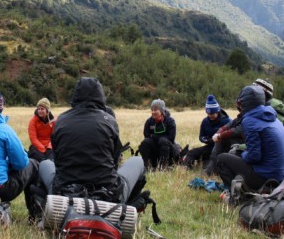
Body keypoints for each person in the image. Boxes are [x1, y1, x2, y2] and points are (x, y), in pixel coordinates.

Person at [38, 77, 146, 205]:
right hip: (107, 193)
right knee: (138, 160)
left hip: (64, 191)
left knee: (45, 164)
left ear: (76, 96)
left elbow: (57, 158)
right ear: (100, 96)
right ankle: (125, 208)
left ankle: (42, 210)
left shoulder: (61, 120)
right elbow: (115, 160)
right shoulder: (109, 121)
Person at [216, 86, 284, 191]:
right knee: (238, 154)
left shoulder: (249, 120)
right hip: (283, 176)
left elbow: (254, 156)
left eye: (240, 103)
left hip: (266, 177)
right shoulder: (271, 115)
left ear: (245, 103)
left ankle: (237, 195)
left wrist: (243, 154)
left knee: (222, 159)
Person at [183, 95, 231, 170]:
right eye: (208, 114)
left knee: (207, 166)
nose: (210, 116)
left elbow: (230, 136)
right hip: (209, 147)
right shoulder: (205, 121)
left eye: (212, 114)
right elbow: (201, 136)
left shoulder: (227, 121)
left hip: (221, 149)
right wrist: (207, 140)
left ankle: (206, 164)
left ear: (217, 111)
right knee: (191, 153)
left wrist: (218, 139)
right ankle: (186, 169)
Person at [137, 99, 178, 170]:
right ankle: (148, 167)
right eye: (152, 110)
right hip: (155, 149)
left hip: (169, 150)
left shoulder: (170, 121)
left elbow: (171, 138)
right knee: (145, 142)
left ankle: (163, 167)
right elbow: (147, 136)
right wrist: (154, 137)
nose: (153, 112)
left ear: (162, 111)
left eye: (155, 110)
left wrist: (154, 136)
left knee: (163, 141)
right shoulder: (149, 122)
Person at [27, 98, 56, 162]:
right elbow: (33, 138)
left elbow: (54, 137)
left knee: (52, 159)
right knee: (40, 158)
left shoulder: (53, 121)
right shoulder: (33, 121)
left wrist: (49, 147)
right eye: (38, 109)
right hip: (37, 147)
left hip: (49, 146)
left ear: (47, 110)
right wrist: (43, 149)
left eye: (42, 109)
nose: (40, 111)